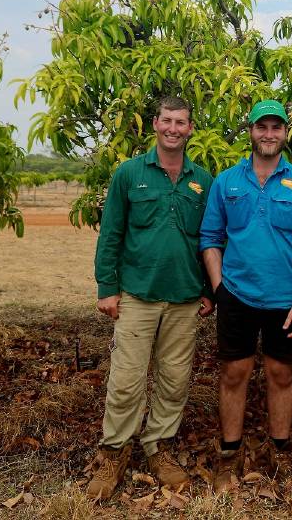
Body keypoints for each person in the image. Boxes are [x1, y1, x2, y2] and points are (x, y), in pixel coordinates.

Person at [85, 96, 215, 501]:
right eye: (167, 120)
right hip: (137, 295)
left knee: (174, 380)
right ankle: (113, 452)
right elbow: (111, 234)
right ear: (155, 125)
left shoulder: (203, 181)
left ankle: (159, 447)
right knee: (126, 380)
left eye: (181, 122)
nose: (174, 128)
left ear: (190, 128)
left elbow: (211, 240)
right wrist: (107, 288)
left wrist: (210, 291)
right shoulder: (129, 174)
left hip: (184, 297)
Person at [198, 99, 292, 495]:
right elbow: (210, 238)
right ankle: (229, 454)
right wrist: (219, 287)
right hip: (236, 294)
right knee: (234, 374)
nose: (268, 134)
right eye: (261, 127)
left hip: (285, 300)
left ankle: (281, 452)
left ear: (285, 133)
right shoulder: (226, 181)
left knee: (280, 374)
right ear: (250, 131)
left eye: (276, 127)